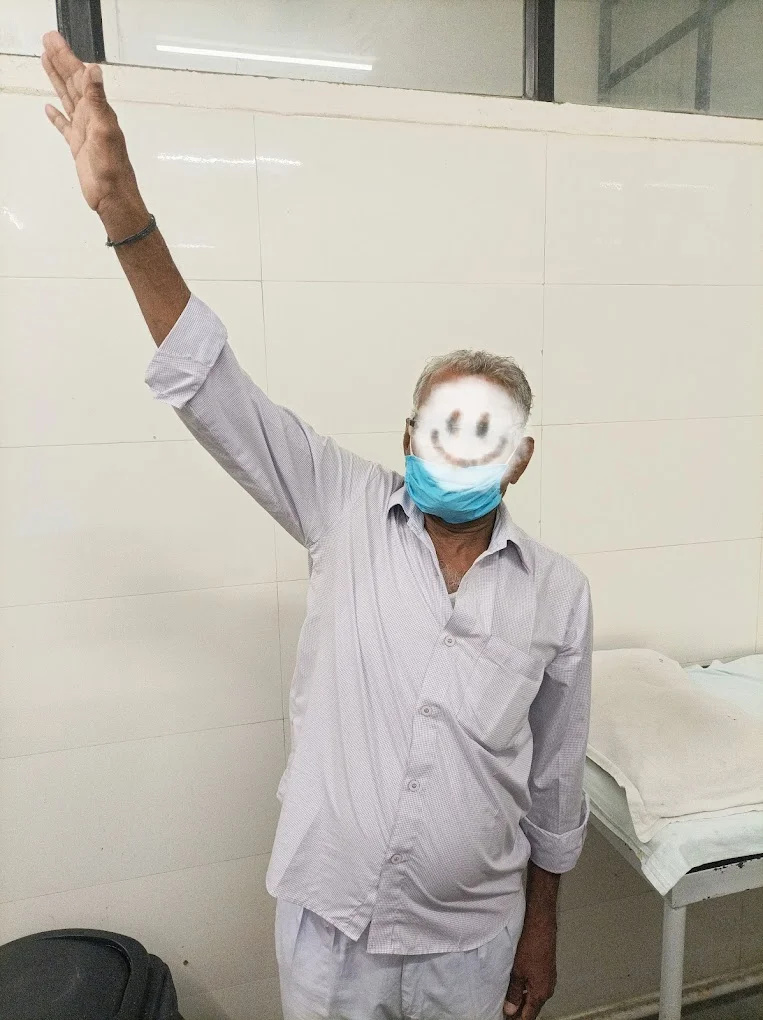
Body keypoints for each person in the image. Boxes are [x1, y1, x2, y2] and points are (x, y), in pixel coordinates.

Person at [41, 31, 592, 1020]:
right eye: (440, 426)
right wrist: (124, 214)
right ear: (408, 437)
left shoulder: (557, 593)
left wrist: (541, 927)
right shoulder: (342, 506)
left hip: (472, 940)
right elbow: (212, 386)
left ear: (519, 458)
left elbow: (552, 786)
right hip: (333, 927)